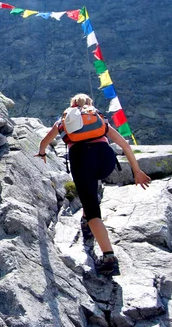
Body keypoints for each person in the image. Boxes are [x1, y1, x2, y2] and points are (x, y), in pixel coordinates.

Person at [36, 93, 151, 276]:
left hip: (82, 160)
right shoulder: (98, 119)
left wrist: (42, 153)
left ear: (71, 105)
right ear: (90, 105)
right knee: (90, 192)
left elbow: (44, 142)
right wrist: (137, 171)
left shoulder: (64, 120)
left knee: (92, 210)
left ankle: (109, 259)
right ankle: (85, 219)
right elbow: (125, 145)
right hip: (106, 161)